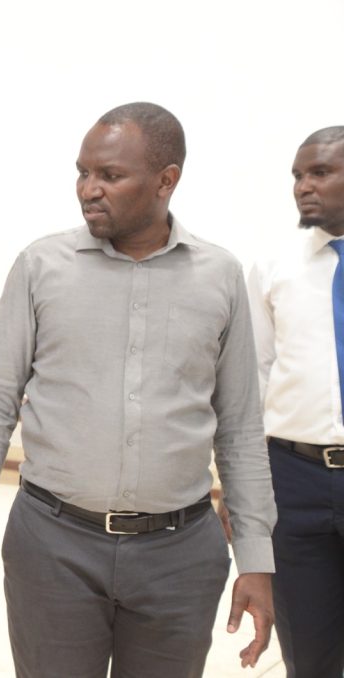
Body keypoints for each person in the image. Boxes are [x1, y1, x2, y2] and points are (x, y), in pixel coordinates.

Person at [0, 102, 277, 677]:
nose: (89, 189)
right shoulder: (41, 266)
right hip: (53, 546)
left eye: (110, 175)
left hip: (179, 558)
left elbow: (240, 429)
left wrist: (256, 558)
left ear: (166, 180)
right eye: (83, 172)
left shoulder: (219, 276)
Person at [248, 126, 344, 677]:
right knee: (307, 653)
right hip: (294, 479)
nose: (303, 186)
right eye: (298, 175)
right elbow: (256, 377)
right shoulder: (273, 265)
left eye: (320, 173)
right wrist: (246, 488)